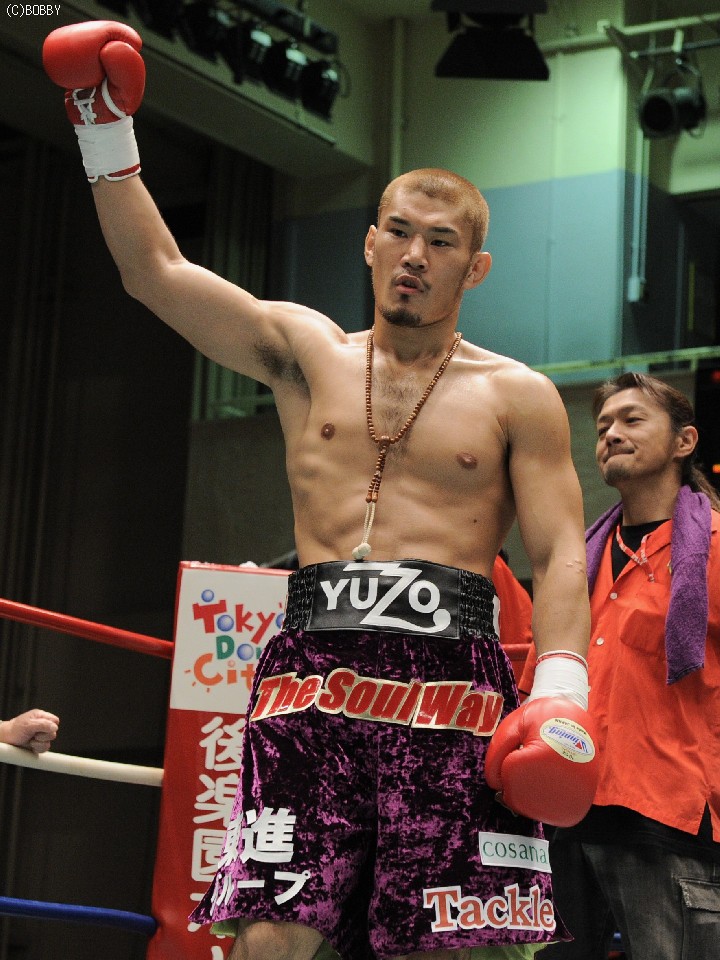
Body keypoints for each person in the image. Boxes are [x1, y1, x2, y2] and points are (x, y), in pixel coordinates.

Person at [42, 20, 599, 960]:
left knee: (448, 945)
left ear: (475, 267)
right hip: (312, 676)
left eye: (441, 241)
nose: (415, 254)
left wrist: (562, 691)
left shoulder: (520, 395)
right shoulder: (306, 354)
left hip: (452, 686)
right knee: (270, 934)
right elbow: (156, 274)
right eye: (400, 232)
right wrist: (102, 127)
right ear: (370, 242)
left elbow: (555, 554)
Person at [531, 372, 720, 960]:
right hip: (566, 812)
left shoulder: (714, 546)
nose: (611, 434)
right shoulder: (575, 560)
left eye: (632, 420)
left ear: (684, 441)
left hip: (668, 821)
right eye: (603, 426)